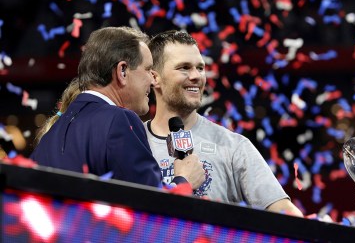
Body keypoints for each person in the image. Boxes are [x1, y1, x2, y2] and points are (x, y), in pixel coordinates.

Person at [144, 30, 304, 217]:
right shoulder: (132, 141)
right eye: (184, 68)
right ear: (154, 78)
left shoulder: (233, 146)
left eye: (201, 68)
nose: (197, 76)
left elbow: (284, 212)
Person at [30, 26, 205, 190]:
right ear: (122, 71)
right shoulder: (118, 120)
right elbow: (150, 204)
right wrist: (184, 182)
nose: (153, 81)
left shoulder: (50, 134)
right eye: (148, 69)